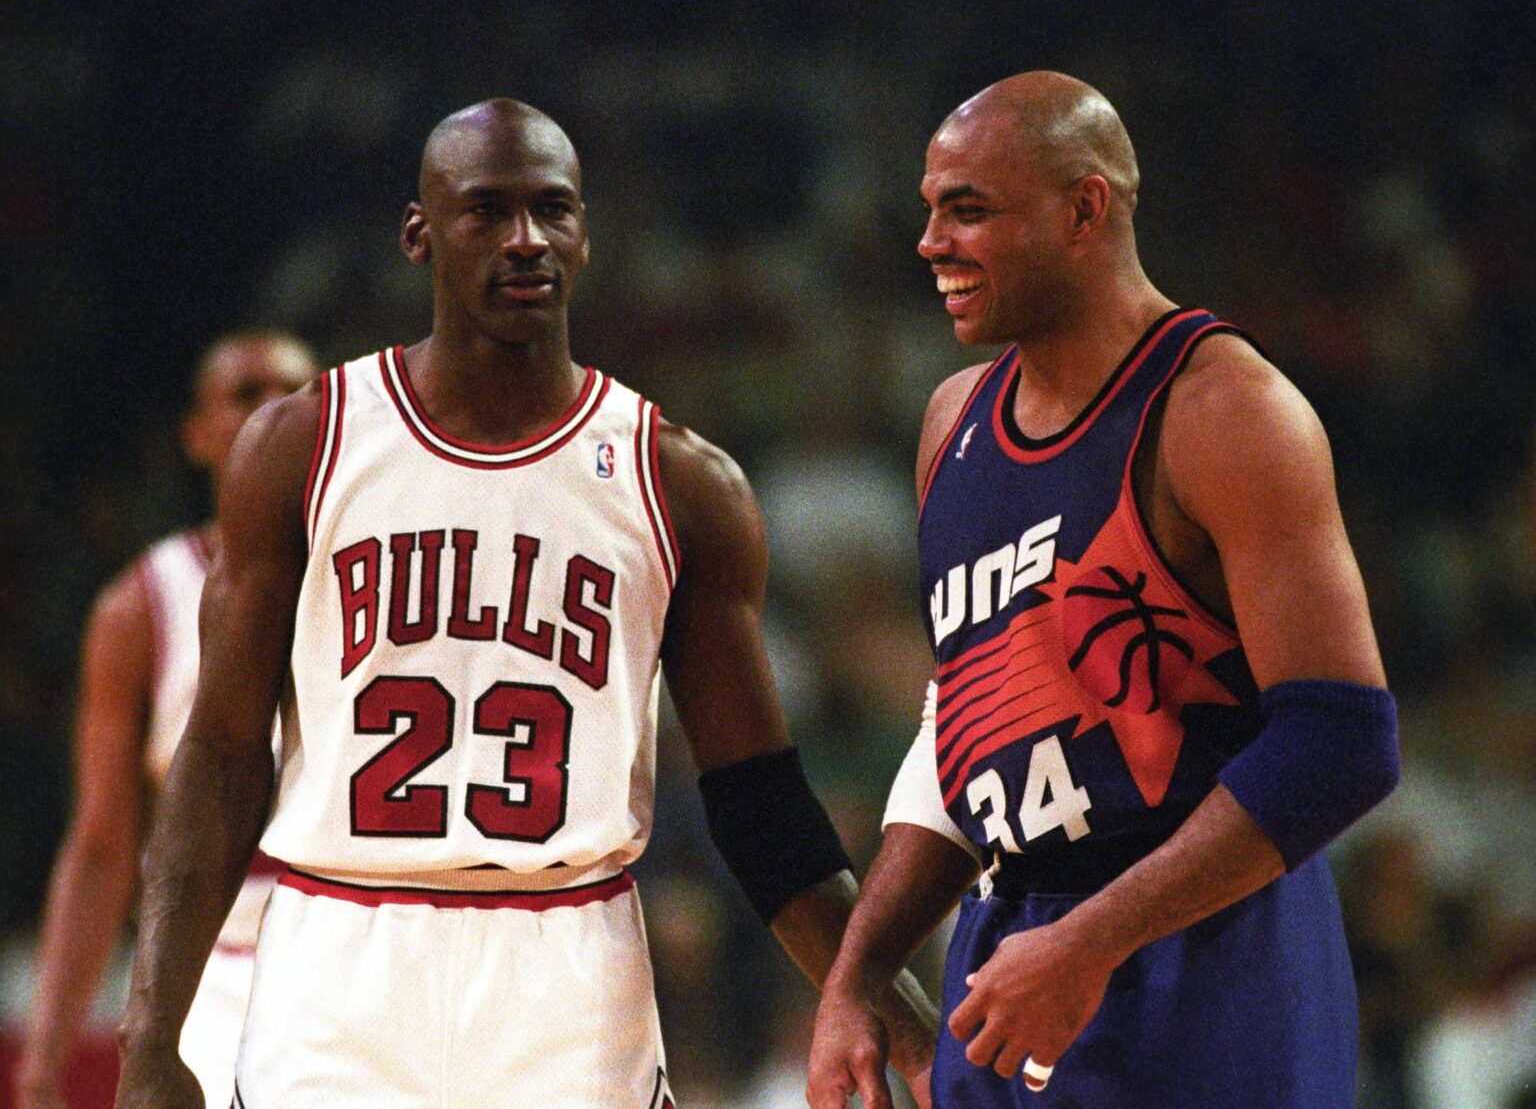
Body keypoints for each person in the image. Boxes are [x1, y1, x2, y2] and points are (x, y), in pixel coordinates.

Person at [111, 99, 935, 1109]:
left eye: (553, 210)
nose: (526, 239)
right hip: (339, 960)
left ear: (587, 234)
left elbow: (761, 810)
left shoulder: (677, 480)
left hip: (569, 966)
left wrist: (904, 1019)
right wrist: (151, 1040)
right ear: (419, 235)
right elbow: (224, 752)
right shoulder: (301, 447)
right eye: (486, 211)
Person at [806, 71, 1401, 1108]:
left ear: (1085, 207)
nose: (930, 243)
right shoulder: (953, 424)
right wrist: (857, 975)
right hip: (1015, 946)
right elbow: (963, 725)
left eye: (968, 209)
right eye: (929, 208)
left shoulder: (1225, 409)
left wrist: (1092, 938)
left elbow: (1344, 740)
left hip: (1213, 951)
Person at [15, 333, 318, 1109]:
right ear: (197, 435)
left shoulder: (382, 572)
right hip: (216, 967)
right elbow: (100, 847)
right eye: (247, 392)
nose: (276, 406)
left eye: (297, 388)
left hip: (359, 949)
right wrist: (46, 1061)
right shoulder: (140, 604)